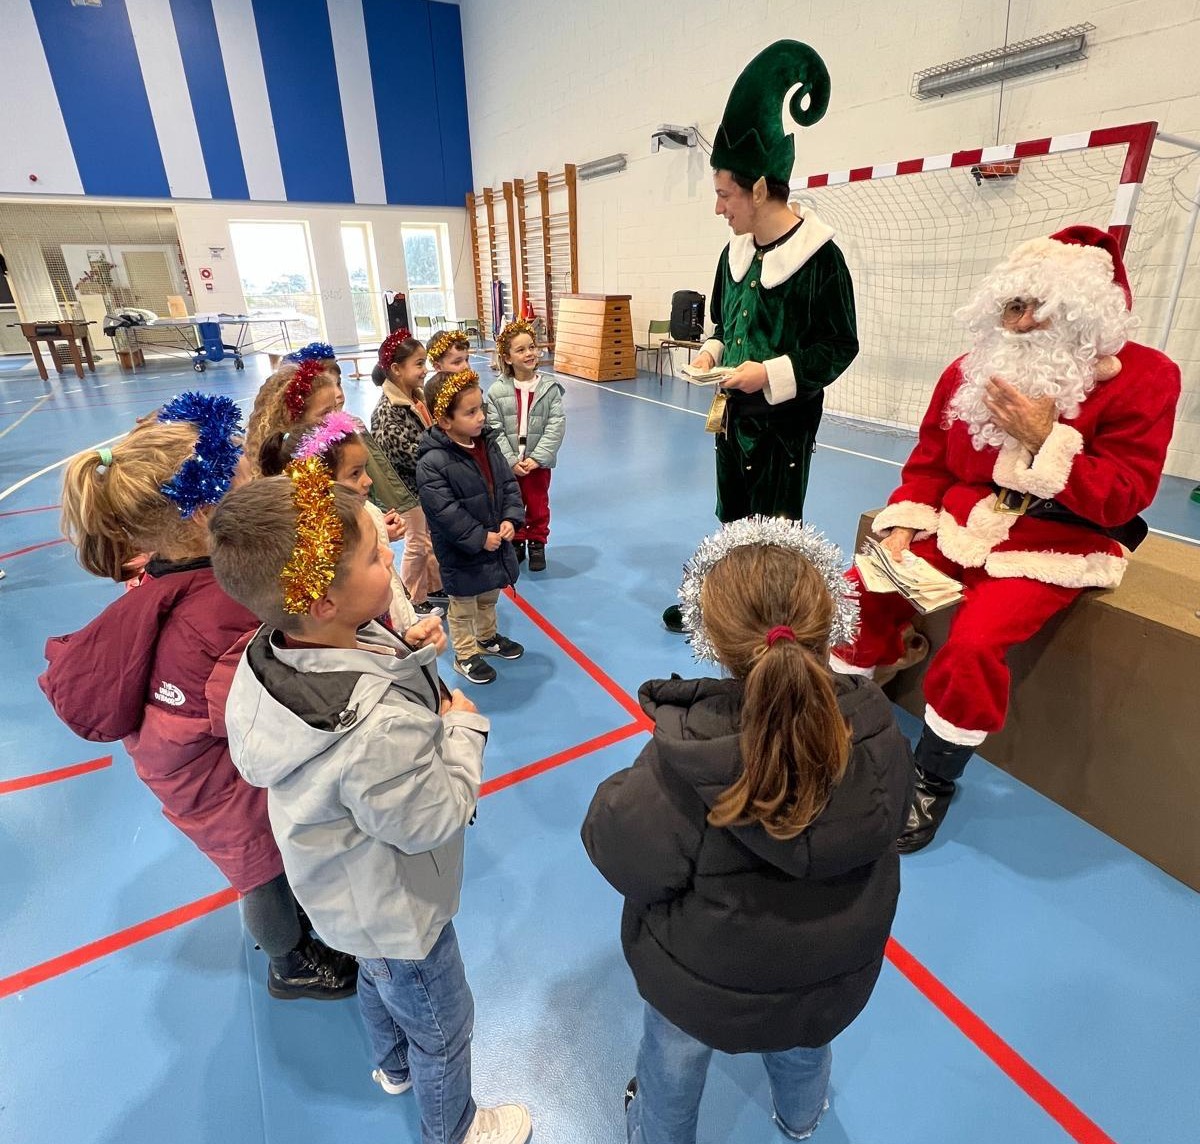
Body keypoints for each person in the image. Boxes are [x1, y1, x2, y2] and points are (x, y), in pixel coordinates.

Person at [830, 225, 1182, 852]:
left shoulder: (1147, 378)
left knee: (974, 643)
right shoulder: (969, 372)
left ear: (1080, 312)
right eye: (1010, 308)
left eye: (1034, 308)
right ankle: (835, 717)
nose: (1017, 325)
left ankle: (933, 776)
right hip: (960, 524)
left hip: (1053, 544)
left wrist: (1048, 440)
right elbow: (932, 459)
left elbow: (1125, 494)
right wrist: (907, 518)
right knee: (863, 587)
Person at [209, 470, 532, 1144]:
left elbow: (355, 668)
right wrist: (465, 728)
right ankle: (458, 1128)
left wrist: (404, 653)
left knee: (377, 981)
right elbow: (431, 818)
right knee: (444, 1028)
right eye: (372, 555)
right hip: (399, 910)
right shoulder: (375, 730)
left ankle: (390, 1066)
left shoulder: (273, 646)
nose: (390, 552)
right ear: (323, 600)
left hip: (343, 900)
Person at [583, 516, 913, 1144]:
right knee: (806, 1051)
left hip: (702, 986)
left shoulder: (684, 761)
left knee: (674, 1060)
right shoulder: (879, 733)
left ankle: (658, 1133)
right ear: (825, 624)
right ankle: (801, 1120)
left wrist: (615, 795)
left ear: (713, 636)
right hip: (828, 978)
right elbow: (888, 824)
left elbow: (621, 852)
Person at [39, 393, 356, 1000]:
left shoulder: (168, 569)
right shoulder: (219, 608)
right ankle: (288, 964)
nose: (252, 472)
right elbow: (258, 712)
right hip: (215, 785)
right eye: (238, 467)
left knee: (265, 869)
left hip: (183, 765)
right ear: (205, 507)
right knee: (261, 876)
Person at [662, 40, 858, 633]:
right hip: (734, 415)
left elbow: (837, 345)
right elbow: (725, 322)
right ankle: (727, 605)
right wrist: (714, 351)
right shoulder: (734, 253)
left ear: (760, 188)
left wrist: (770, 374)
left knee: (775, 523)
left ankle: (769, 620)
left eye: (725, 194)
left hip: (784, 423)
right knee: (732, 512)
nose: (719, 207)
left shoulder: (820, 260)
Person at [258, 410, 447, 651]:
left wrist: (403, 636)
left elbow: (390, 589)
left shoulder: (367, 511)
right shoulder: (313, 553)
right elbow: (350, 638)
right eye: (355, 473)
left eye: (365, 470)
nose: (368, 481)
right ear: (319, 482)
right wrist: (395, 647)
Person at [416, 369, 525, 686]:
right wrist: (479, 538)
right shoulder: (432, 462)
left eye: (482, 409)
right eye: (471, 412)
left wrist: (509, 519)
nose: (480, 417)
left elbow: (507, 485)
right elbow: (445, 512)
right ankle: (465, 655)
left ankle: (487, 638)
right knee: (463, 608)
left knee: (489, 597)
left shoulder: (487, 444)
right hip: (461, 553)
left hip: (494, 545)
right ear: (445, 420)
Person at [371, 328, 449, 612]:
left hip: (422, 487)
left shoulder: (417, 398)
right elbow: (411, 454)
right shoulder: (388, 411)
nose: (425, 369)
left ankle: (434, 586)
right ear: (395, 369)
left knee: (427, 538)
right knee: (416, 543)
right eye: (418, 364)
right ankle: (412, 598)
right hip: (405, 491)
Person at [486, 319, 566, 571]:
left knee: (539, 504)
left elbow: (556, 425)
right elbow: (494, 430)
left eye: (531, 347)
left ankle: (537, 542)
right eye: (520, 350)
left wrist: (538, 457)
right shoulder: (496, 392)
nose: (529, 353)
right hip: (510, 464)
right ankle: (517, 541)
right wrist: (510, 460)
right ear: (507, 358)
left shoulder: (549, 388)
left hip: (537, 464)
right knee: (512, 503)